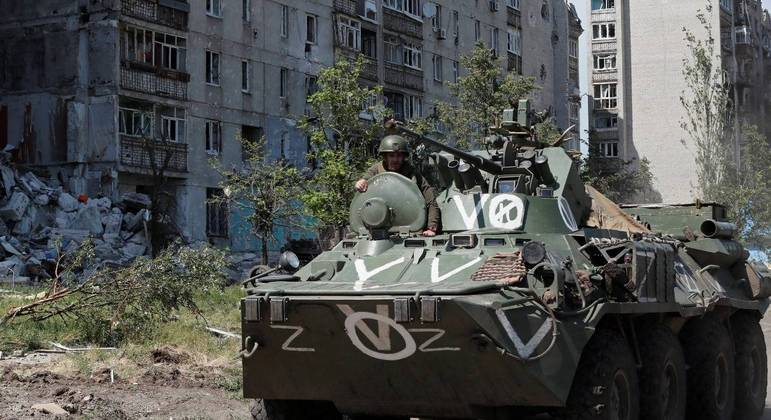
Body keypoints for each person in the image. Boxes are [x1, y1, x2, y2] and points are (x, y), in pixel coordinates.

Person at [355, 135, 440, 237]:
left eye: (399, 156)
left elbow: (430, 201)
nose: (395, 159)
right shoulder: (376, 170)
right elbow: (365, 181)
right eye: (391, 156)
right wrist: (361, 182)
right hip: (379, 228)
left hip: (409, 227)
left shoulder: (413, 173)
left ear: (404, 157)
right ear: (385, 157)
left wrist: (431, 227)